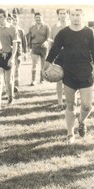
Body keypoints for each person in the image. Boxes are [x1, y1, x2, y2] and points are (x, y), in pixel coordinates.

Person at [42, 8, 94, 144]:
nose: (76, 18)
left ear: (83, 16)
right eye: (73, 15)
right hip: (68, 72)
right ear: (69, 16)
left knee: (87, 106)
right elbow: (54, 51)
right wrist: (45, 67)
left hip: (85, 72)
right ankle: (70, 134)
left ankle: (81, 122)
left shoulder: (90, 33)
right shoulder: (63, 33)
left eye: (78, 15)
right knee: (70, 104)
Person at [0, 8, 19, 110]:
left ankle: (10, 98)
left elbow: (15, 45)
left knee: (9, 80)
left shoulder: (12, 28)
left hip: (9, 56)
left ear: (6, 17)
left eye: (1, 17)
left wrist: (12, 58)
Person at [49, 8, 69, 111]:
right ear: (58, 15)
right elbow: (51, 44)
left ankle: (70, 102)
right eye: (61, 13)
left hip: (72, 55)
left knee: (72, 79)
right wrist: (50, 58)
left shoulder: (72, 25)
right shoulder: (54, 27)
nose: (63, 15)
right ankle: (60, 103)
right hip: (59, 56)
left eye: (64, 13)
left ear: (67, 14)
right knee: (59, 79)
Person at [28, 12, 50, 86]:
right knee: (34, 64)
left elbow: (49, 38)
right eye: (36, 18)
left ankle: (42, 79)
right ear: (34, 18)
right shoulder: (31, 27)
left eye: (39, 17)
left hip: (44, 48)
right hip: (35, 47)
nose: (38, 19)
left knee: (43, 64)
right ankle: (33, 80)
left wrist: (45, 43)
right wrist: (29, 48)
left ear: (42, 18)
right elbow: (29, 39)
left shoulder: (46, 26)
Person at [12, 14, 28, 92]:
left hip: (18, 51)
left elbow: (24, 43)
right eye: (13, 20)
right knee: (10, 68)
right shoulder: (9, 29)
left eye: (16, 20)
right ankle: (11, 84)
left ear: (18, 21)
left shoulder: (21, 30)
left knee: (17, 67)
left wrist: (25, 53)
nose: (14, 22)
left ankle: (16, 83)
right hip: (10, 51)